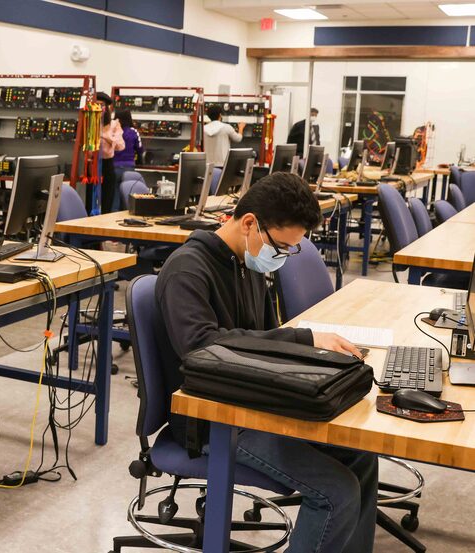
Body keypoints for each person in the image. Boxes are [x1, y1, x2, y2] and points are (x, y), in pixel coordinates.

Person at [155, 172, 377, 553]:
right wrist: (303, 340)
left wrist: (318, 359)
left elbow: (264, 342)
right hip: (215, 420)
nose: (284, 257)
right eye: (283, 247)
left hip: (254, 401)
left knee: (361, 453)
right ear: (249, 224)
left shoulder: (247, 261)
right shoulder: (187, 269)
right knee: (336, 492)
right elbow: (202, 349)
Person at [97, 92, 124, 214]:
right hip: (92, 165)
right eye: (96, 104)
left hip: (107, 164)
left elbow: (120, 145)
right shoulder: (89, 122)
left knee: (107, 200)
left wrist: (104, 136)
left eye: (101, 105)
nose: (99, 108)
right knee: (90, 199)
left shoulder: (114, 124)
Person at [113, 109, 143, 210]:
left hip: (114, 166)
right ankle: (126, 213)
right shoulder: (133, 131)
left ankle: (113, 216)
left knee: (114, 195)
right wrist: (140, 162)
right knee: (128, 194)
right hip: (128, 167)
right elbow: (140, 149)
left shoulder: (113, 132)